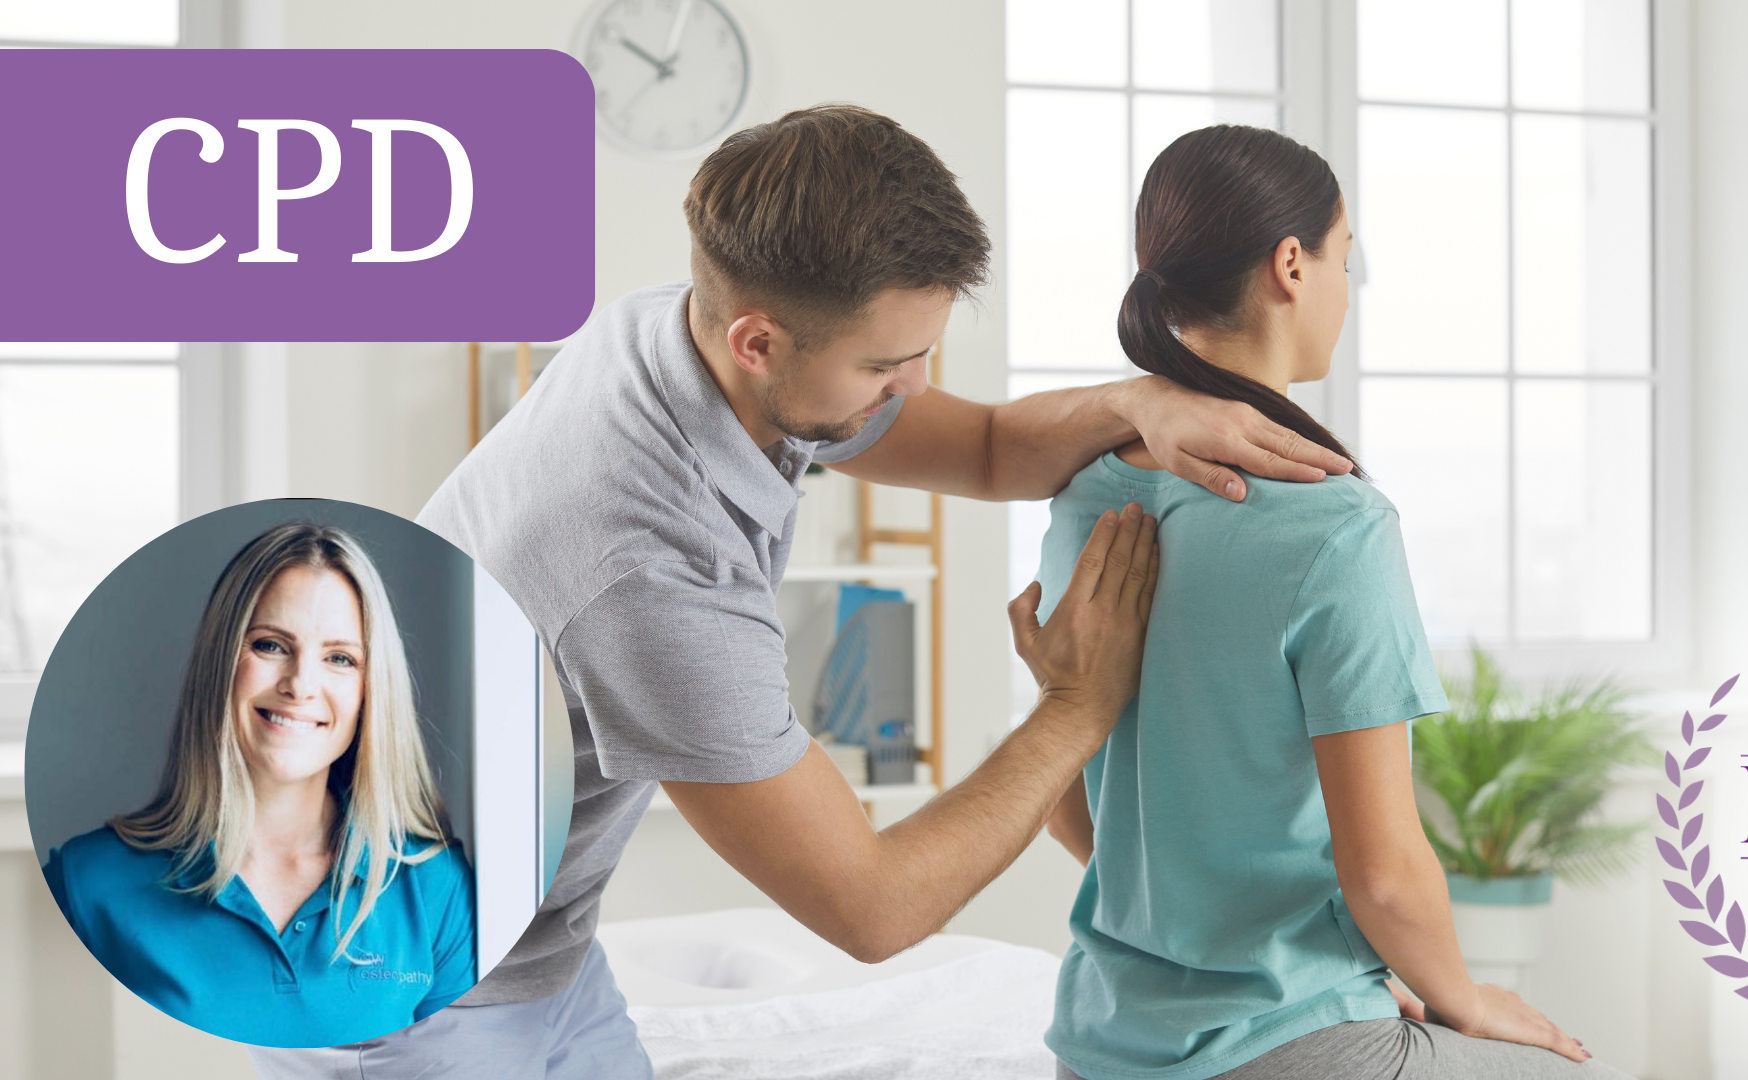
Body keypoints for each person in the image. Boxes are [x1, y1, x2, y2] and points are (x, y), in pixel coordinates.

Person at [248, 103, 1347, 1078]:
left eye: (921, 352)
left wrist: (1140, 403)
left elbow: (988, 448)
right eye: (884, 367)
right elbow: (873, 909)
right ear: (758, 340)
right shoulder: (645, 566)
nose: (910, 389)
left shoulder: (670, 332)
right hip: (399, 983)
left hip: (535, 948)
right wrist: (1076, 707)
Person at [1033, 125, 1634, 1080]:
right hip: (1289, 1046)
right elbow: (1387, 877)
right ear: (1289, 267)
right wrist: (1465, 1000)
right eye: (1344, 260)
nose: (1348, 290)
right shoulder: (1333, 524)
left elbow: (1064, 795)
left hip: (1102, 1043)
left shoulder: (1082, 497)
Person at [43, 522, 475, 1049]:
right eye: (271, 645)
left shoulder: (436, 886)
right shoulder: (87, 883)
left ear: (370, 689)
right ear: (222, 661)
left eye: (340, 658)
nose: (300, 685)